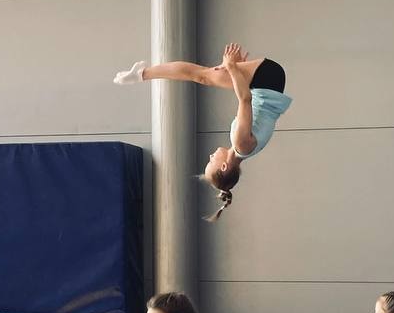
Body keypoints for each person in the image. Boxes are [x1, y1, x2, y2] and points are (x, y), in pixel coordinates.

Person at [114, 43, 292, 220]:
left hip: (266, 84)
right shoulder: (241, 144)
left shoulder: (244, 149)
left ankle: (142, 74)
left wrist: (237, 72)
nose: (210, 156)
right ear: (224, 166)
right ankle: (142, 74)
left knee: (204, 76)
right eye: (211, 162)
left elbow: (251, 106)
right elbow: (245, 99)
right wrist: (232, 68)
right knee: (201, 76)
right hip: (266, 79)